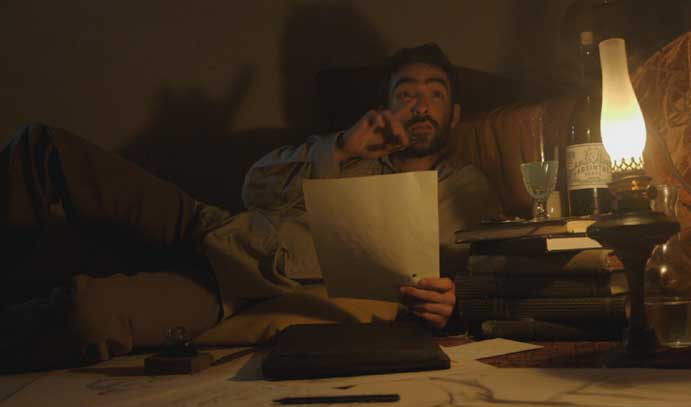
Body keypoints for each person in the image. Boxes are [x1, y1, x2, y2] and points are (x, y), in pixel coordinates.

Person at [0, 43, 498, 371]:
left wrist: (452, 307)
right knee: (41, 146)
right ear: (387, 105)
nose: (420, 105)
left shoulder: (465, 188)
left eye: (435, 94)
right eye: (405, 94)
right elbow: (253, 189)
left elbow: (481, 274)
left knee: (86, 313)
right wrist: (341, 148)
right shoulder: (350, 148)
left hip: (239, 285)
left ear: (454, 115)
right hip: (213, 224)